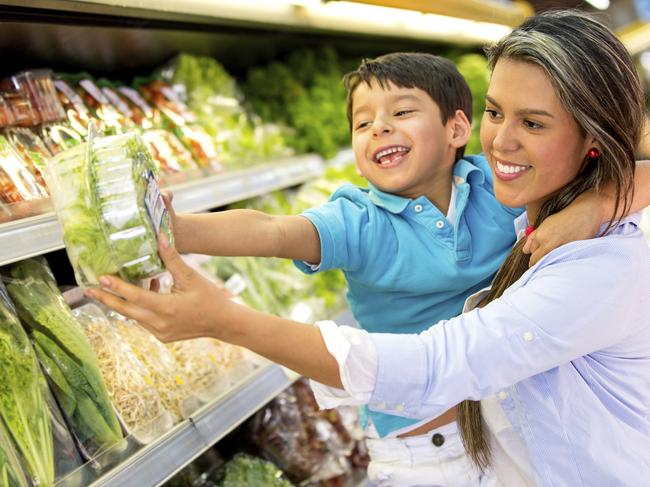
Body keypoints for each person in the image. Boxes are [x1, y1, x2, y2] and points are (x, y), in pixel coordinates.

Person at [89, 11, 650, 486]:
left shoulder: (514, 205)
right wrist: (173, 228)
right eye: (496, 112)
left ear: (453, 129)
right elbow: (274, 229)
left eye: (533, 121)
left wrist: (602, 200)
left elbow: (438, 365)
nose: (502, 137)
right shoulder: (362, 216)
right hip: (423, 450)